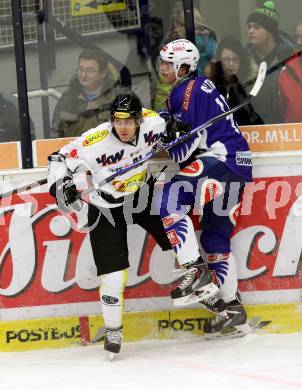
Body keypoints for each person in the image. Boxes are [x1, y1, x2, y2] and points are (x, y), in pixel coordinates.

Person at [47, 93, 172, 357]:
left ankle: (204, 283)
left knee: (176, 233)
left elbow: (170, 121)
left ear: (139, 119)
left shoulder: (153, 122)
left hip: (142, 194)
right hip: (106, 205)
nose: (123, 127)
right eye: (118, 121)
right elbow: (59, 160)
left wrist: (175, 126)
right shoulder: (95, 140)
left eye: (129, 121)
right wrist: (61, 184)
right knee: (113, 276)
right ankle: (113, 328)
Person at [157, 38, 252, 338]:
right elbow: (174, 123)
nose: (161, 69)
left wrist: (167, 138)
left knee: (169, 199)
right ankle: (233, 310)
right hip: (239, 164)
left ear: (182, 66)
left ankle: (195, 270)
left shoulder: (186, 91)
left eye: (166, 64)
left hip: (221, 160)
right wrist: (165, 125)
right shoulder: (196, 87)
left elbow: (182, 153)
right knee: (215, 240)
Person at [152, 3, 217, 111]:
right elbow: (163, 89)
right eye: (179, 24)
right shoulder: (170, 44)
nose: (182, 29)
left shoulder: (209, 40)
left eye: (186, 25)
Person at [51, 48, 129, 138]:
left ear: (103, 73)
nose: (83, 75)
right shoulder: (67, 99)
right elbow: (55, 137)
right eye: (80, 69)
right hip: (75, 150)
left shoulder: (122, 98)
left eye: (90, 70)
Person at [245, 1, 295, 124]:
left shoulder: (289, 57)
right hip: (253, 125)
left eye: (256, 27)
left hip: (287, 124)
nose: (250, 31)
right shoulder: (244, 58)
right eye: (249, 26)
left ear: (270, 31)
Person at [209, 37, 263, 126]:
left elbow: (257, 120)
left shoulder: (252, 86)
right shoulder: (210, 88)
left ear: (242, 61)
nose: (231, 64)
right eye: (226, 60)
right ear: (219, 61)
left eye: (235, 59)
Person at [278, 22, 302, 123]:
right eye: (297, 37)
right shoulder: (285, 72)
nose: (299, 42)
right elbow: (281, 109)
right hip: (294, 136)